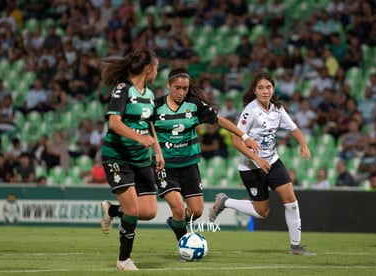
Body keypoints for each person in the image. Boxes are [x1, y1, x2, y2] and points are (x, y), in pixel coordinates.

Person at [101, 68, 259, 245]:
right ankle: (184, 246)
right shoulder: (156, 106)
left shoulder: (194, 105)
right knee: (177, 208)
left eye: (185, 88)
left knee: (197, 211)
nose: (181, 92)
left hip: (189, 165)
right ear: (168, 85)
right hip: (164, 167)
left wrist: (245, 137)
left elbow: (219, 120)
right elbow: (140, 125)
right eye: (178, 88)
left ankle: (116, 211)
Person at [208, 71, 316, 256]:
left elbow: (295, 129)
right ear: (255, 91)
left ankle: (295, 247)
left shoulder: (277, 109)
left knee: (291, 202)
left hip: (273, 162)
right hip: (251, 168)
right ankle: (225, 202)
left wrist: (304, 145)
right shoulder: (250, 111)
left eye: (268, 87)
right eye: (261, 88)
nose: (265, 91)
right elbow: (236, 141)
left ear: (273, 89)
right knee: (262, 212)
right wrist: (257, 158)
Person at [98, 49, 164, 271]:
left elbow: (150, 124)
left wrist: (157, 150)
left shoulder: (150, 94)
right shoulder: (123, 89)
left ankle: (112, 211)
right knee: (134, 211)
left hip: (140, 158)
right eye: (156, 68)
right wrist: (139, 137)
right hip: (117, 156)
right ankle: (123, 260)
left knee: (149, 212)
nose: (157, 72)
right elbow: (114, 123)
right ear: (149, 69)